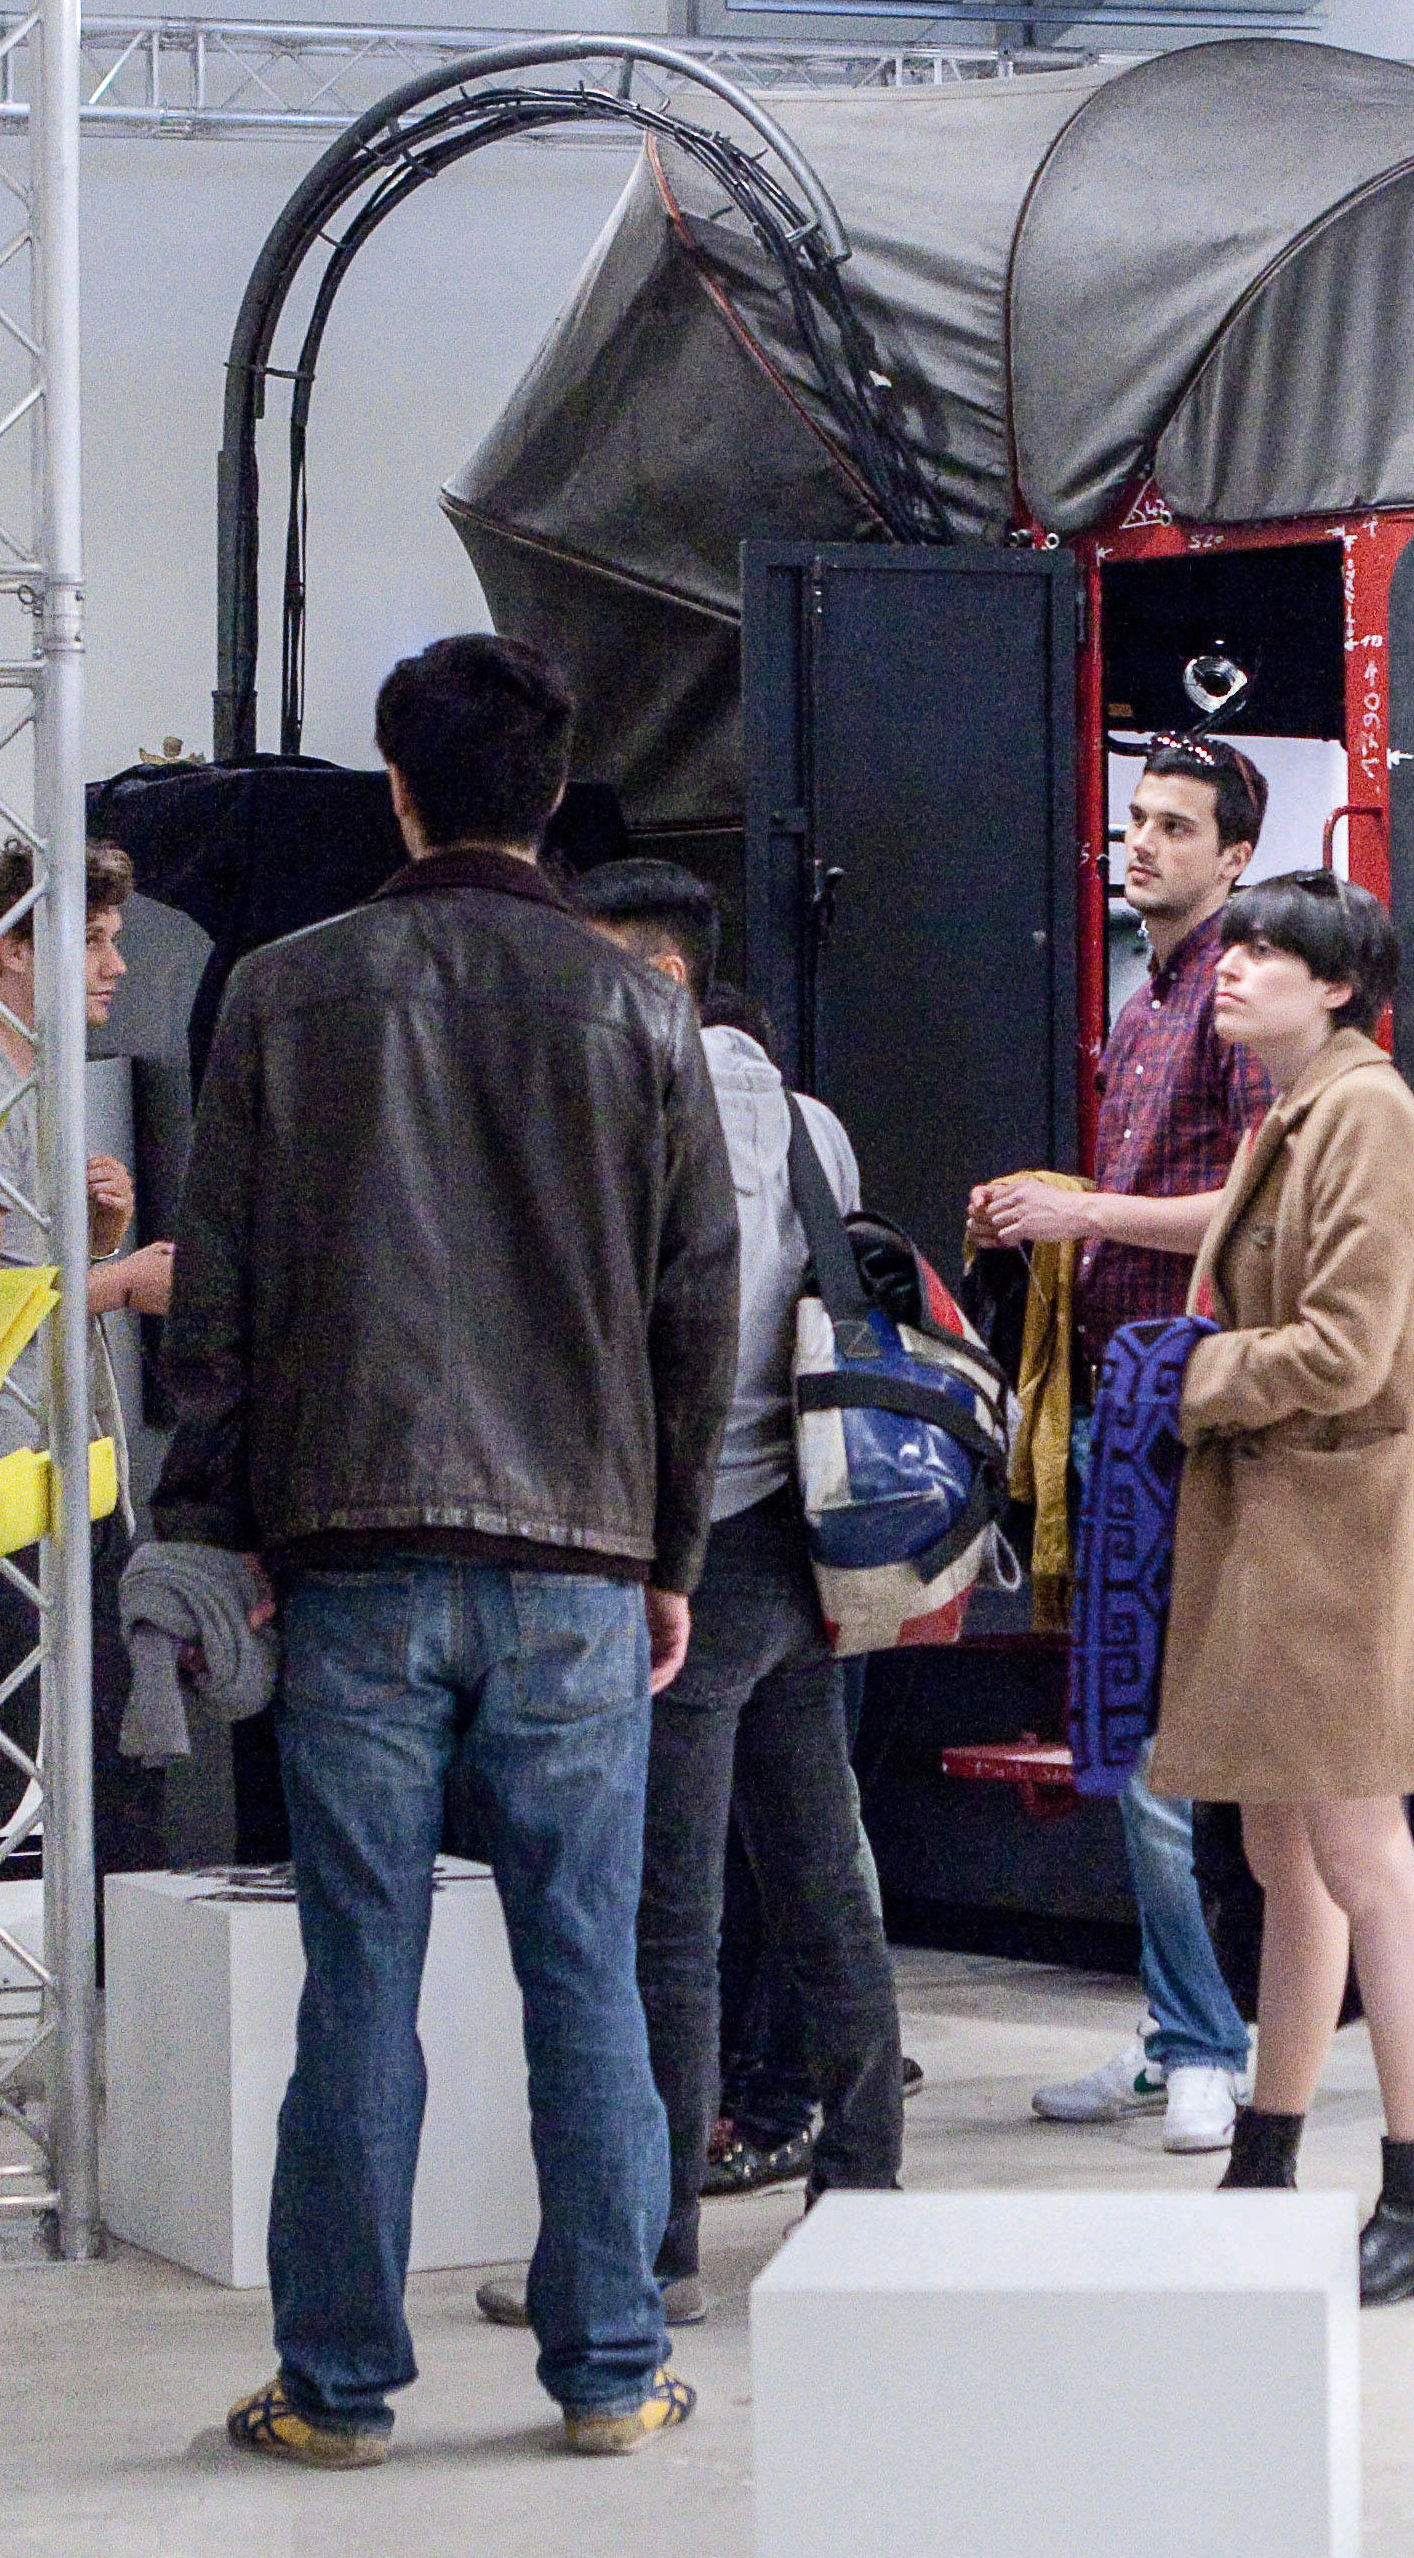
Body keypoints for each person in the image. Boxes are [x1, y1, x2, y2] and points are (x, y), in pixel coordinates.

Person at [157, 634, 738, 2468]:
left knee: (359, 1978)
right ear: (552, 794)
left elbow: (223, 1299)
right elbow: (693, 1308)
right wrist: (664, 1556)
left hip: (350, 1549)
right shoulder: (638, 1010)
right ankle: (609, 2369)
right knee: (585, 1969)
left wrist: (212, 1523)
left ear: (394, 788)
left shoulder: (283, 990)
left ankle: (335, 2390)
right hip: (577, 1556)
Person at [475, 858, 903, 2336]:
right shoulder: (812, 1122)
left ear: (652, 978)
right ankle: (862, 2188)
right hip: (804, 1535)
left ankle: (647, 2248)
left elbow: (653, 1339)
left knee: (664, 1912)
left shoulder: (632, 1107)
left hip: (686, 1544)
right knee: (819, 1872)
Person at [1142, 870, 1414, 2305]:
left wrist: (1185, 1379)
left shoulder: (1364, 1116)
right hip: (1290, 1533)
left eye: (1271, 951)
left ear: (1339, 984)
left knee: (1359, 1855)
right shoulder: (1305, 1111)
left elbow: (1344, 1347)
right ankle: (1270, 2153)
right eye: (1236, 946)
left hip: (1338, 1541)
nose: (1234, 967)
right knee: (1290, 1855)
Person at [967, 737, 1270, 2157]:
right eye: (1134, 819)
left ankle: (1208, 2042)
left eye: (1172, 825)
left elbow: (1258, 1208)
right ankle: (1176, 2036)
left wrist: (1084, 1215)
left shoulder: (1234, 998)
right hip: (1116, 1413)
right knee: (1122, 1741)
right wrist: (1053, 1210)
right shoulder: (1142, 1000)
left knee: (1155, 1751)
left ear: (1234, 855)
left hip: (1191, 1421)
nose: (1137, 841)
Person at [0, 837, 173, 2104]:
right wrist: (122, 1274)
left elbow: (29, 1278)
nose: (114, 965)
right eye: (93, 940)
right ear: (17, 948)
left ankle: (97, 2007)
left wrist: (96, 1234)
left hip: (61, 1469)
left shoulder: (32, 1083)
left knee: (85, 1740)